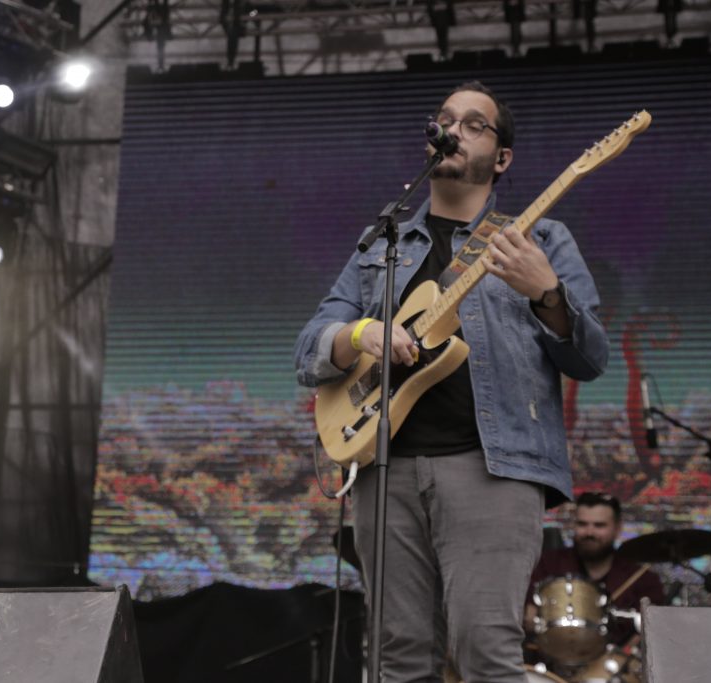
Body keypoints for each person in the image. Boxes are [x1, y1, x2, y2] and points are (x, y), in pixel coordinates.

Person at [294, 81, 609, 682]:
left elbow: (591, 359)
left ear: (502, 157)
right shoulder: (380, 246)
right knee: (395, 659)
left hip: (493, 468)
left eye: (473, 124)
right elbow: (309, 345)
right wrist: (361, 334)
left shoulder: (539, 239)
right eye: (446, 120)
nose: (454, 131)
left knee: (486, 654)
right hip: (385, 466)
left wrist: (545, 292)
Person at [526, 492, 665, 652]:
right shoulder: (546, 564)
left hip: (615, 664)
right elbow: (525, 612)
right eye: (582, 524)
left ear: (617, 529)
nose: (589, 532)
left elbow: (654, 631)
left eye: (599, 525)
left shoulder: (642, 579)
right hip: (552, 659)